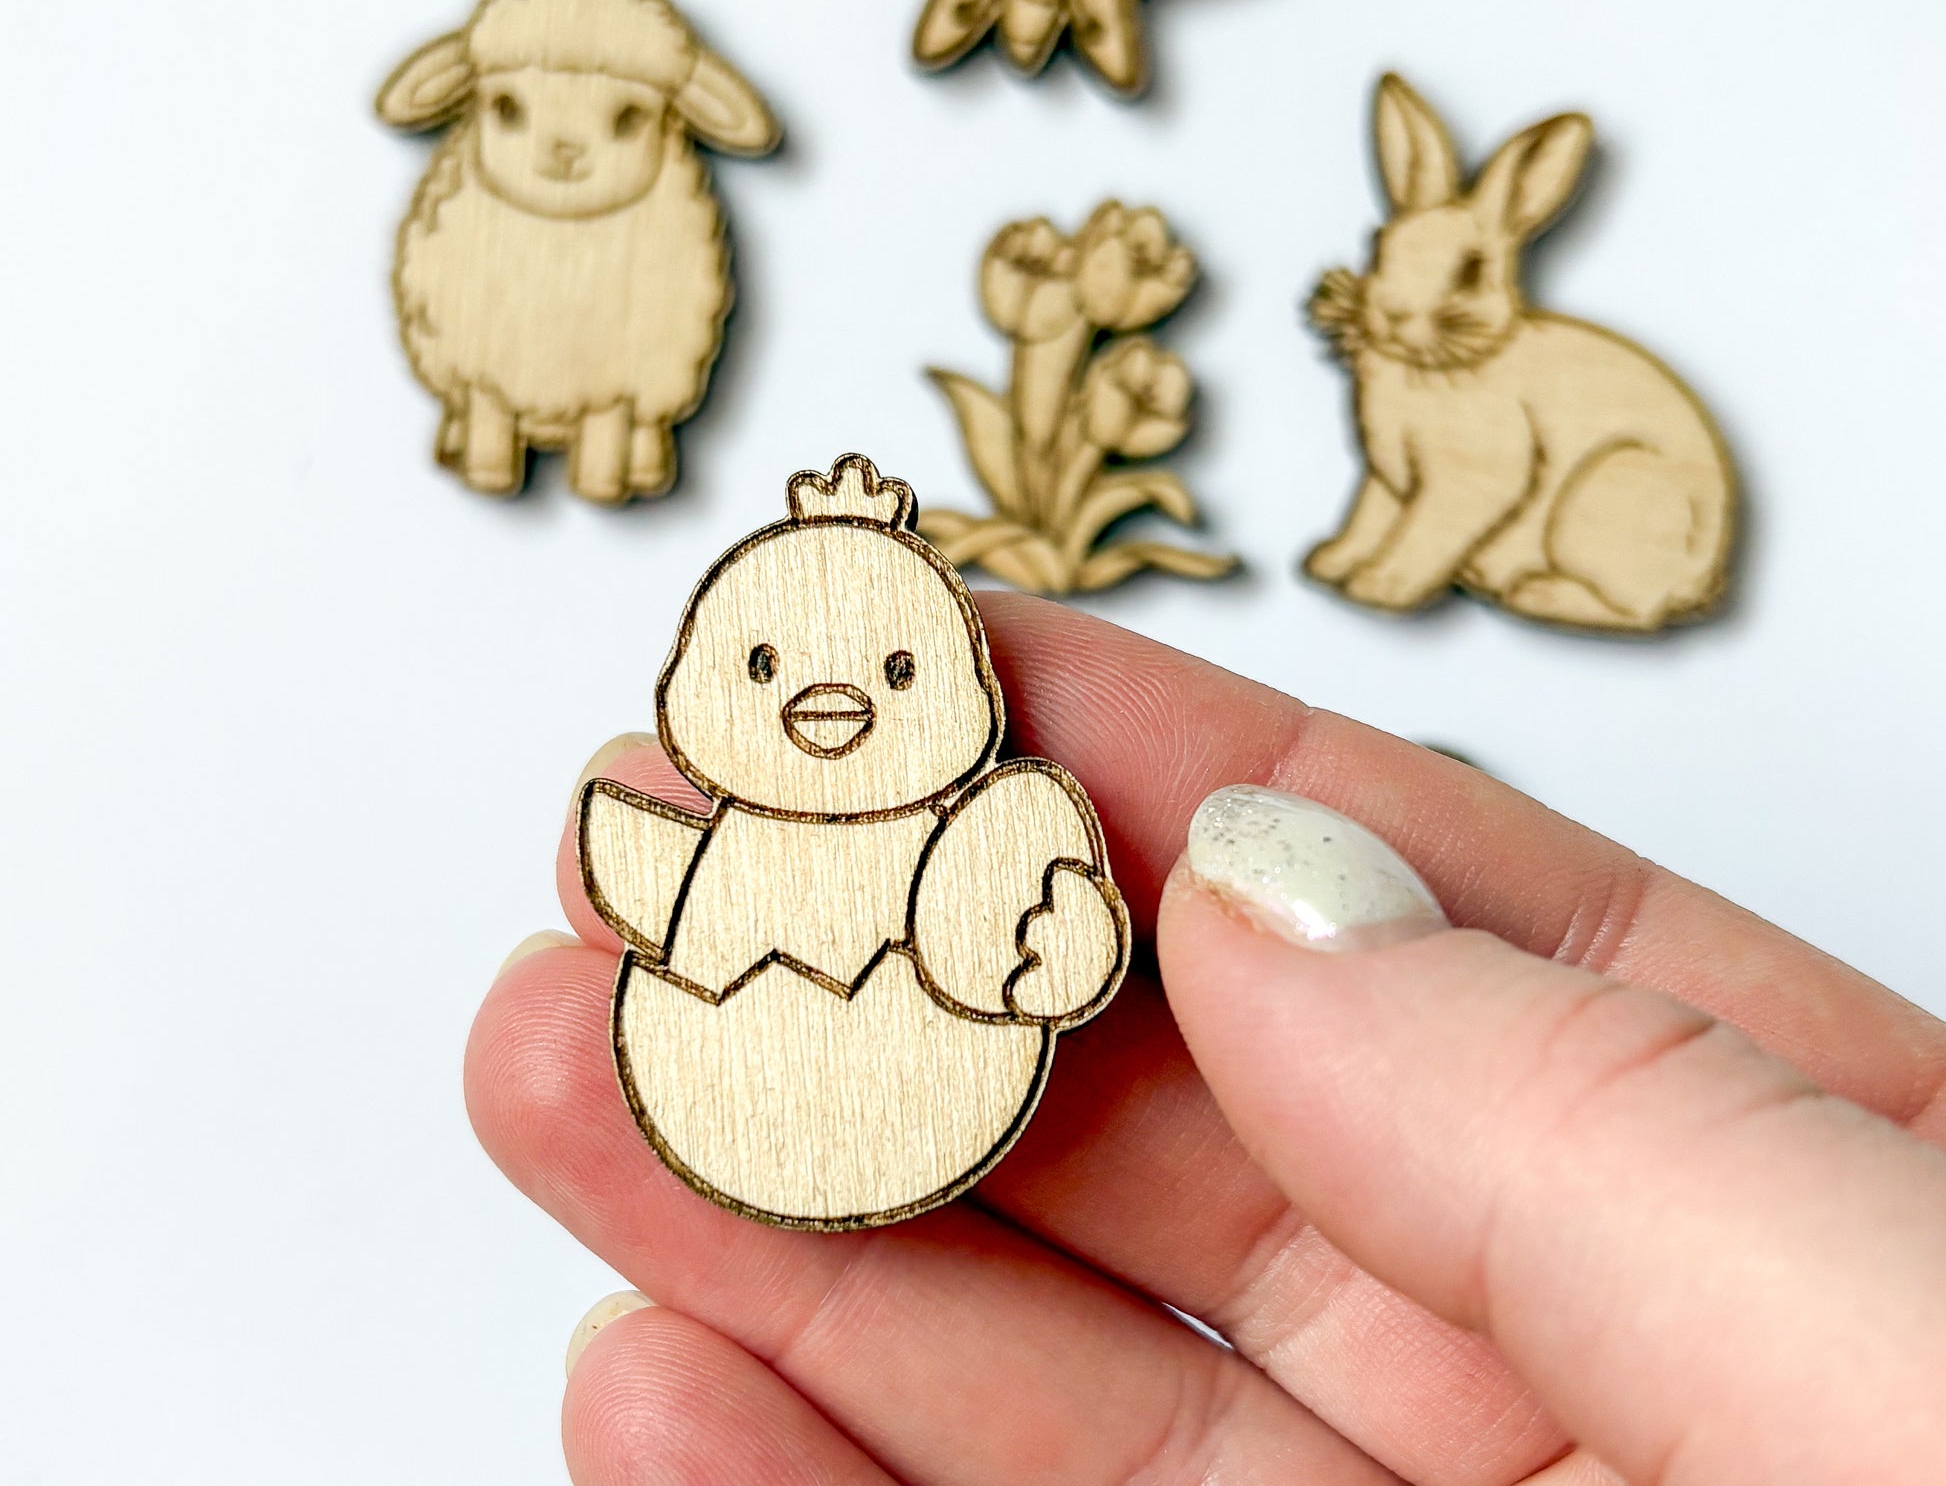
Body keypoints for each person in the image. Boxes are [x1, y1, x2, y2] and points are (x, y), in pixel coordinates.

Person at [467, 595, 1946, 1484]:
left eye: (900, 670)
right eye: (764, 664)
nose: (829, 699)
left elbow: (1034, 911)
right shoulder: (739, 848)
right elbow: (665, 889)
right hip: (750, 1091)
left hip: (932, 1074)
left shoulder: (1001, 815)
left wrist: (1034, 932)